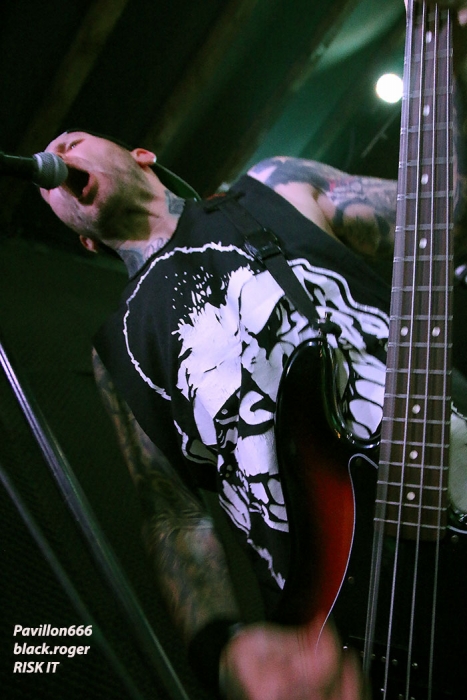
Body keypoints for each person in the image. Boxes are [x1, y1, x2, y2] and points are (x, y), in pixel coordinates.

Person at [38, 2, 467, 698]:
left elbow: (442, 213)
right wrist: (220, 649)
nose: (58, 163)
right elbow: (173, 514)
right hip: (347, 627)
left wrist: (446, 69)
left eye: (73, 138)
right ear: (83, 239)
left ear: (142, 154)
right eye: (46, 185)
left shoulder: (276, 187)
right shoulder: (116, 349)